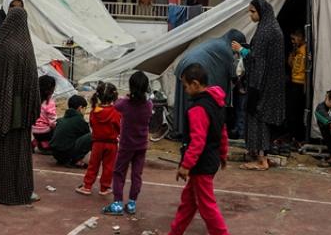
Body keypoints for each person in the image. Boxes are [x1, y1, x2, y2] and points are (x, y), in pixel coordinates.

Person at [0, 5, 40, 205]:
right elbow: (31, 81)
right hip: (17, 108)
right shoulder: (24, 48)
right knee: (15, 147)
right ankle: (15, 188)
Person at [168, 63, 230, 235]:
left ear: (195, 84)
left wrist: (186, 165)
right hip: (210, 160)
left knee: (207, 207)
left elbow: (197, 141)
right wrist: (223, 154)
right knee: (188, 203)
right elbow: (222, 132)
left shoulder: (198, 109)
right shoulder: (216, 103)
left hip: (201, 164)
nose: (185, 90)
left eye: (186, 86)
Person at [231, 0, 284, 170]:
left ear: (261, 12)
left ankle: (261, 160)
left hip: (261, 85)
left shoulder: (264, 31)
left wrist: (241, 50)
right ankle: (262, 156)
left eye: (253, 11)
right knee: (265, 120)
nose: (250, 15)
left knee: (257, 118)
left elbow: (257, 59)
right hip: (272, 84)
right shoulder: (272, 27)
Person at [173, 29, 246, 140]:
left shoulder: (216, 41)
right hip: (193, 71)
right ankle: (193, 132)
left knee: (185, 103)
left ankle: (183, 130)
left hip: (185, 65)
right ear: (234, 42)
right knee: (195, 104)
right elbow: (231, 74)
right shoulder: (226, 49)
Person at [104, 72, 154, 216]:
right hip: (141, 145)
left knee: (119, 172)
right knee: (137, 174)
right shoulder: (149, 105)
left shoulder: (125, 103)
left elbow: (116, 105)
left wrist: (127, 96)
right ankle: (132, 203)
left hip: (126, 145)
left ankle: (118, 203)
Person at [77, 82, 121, 196]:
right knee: (108, 167)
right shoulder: (116, 112)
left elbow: (92, 125)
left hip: (97, 143)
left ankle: (87, 186)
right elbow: (119, 127)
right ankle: (104, 188)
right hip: (112, 144)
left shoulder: (94, 111)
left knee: (93, 165)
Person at [51, 94, 92, 167]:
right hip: (67, 154)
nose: (85, 111)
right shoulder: (79, 120)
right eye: (85, 109)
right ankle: (75, 160)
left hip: (56, 154)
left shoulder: (61, 120)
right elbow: (86, 137)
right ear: (80, 108)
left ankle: (68, 159)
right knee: (92, 136)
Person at [285, 28, 308, 144]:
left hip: (301, 84)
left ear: (301, 37)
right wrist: (292, 53)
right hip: (294, 82)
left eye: (294, 39)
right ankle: (291, 134)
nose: (292, 41)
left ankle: (298, 136)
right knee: (291, 110)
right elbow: (290, 64)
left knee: (297, 111)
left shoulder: (306, 50)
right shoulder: (297, 50)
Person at [32, 75, 58, 153]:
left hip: (33, 129)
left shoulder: (33, 100)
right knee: (58, 128)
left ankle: (34, 142)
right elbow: (52, 122)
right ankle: (45, 145)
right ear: (51, 90)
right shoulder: (50, 103)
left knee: (40, 131)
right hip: (45, 132)